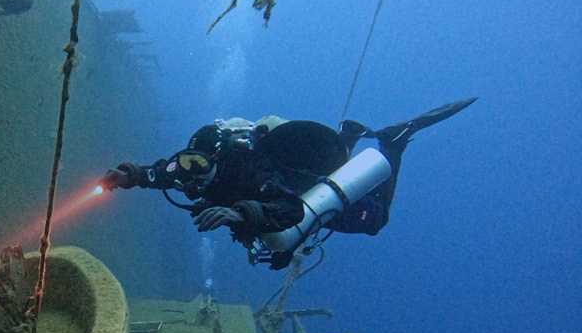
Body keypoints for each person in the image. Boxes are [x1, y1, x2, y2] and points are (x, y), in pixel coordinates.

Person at [100, 98, 476, 269]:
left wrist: (240, 215)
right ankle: (346, 138)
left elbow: (292, 209)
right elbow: (161, 172)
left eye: (198, 165)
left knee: (375, 221)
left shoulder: (251, 170)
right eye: (187, 162)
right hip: (270, 205)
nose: (190, 174)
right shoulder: (189, 167)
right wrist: (130, 176)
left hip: (298, 192)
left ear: (218, 159)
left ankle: (393, 145)